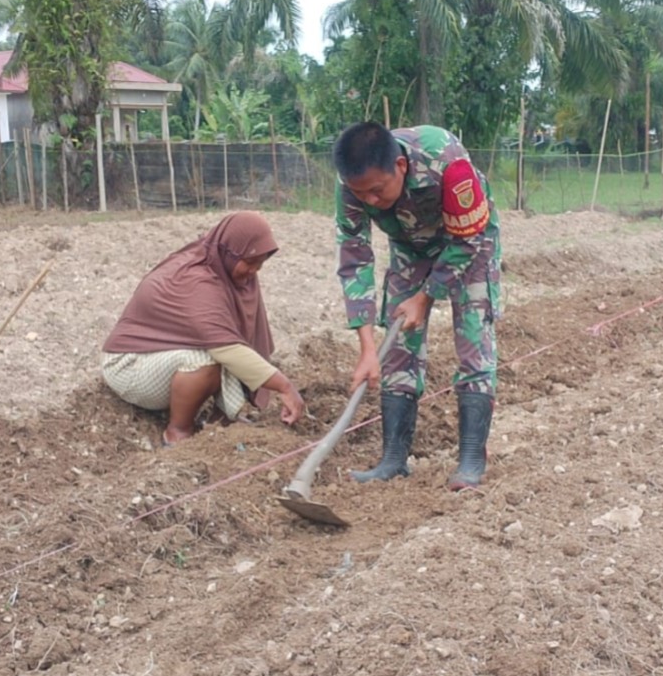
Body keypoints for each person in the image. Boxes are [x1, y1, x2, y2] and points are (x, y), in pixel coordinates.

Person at [332, 122, 501, 491]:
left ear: (401, 166)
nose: (371, 201)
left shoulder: (446, 160)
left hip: (467, 241)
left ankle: (471, 460)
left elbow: (469, 238)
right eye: (363, 195)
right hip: (409, 248)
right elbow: (354, 256)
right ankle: (393, 459)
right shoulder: (352, 185)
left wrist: (426, 297)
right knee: (396, 351)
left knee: (473, 342)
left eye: (378, 190)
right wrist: (366, 348)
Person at [101, 211, 305, 447]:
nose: (253, 272)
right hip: (129, 365)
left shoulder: (224, 265)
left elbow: (232, 341)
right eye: (249, 263)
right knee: (208, 358)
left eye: (260, 265)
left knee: (225, 349)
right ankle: (177, 432)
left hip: (165, 355)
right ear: (231, 251)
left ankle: (220, 420)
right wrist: (284, 386)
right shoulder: (197, 279)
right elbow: (226, 349)